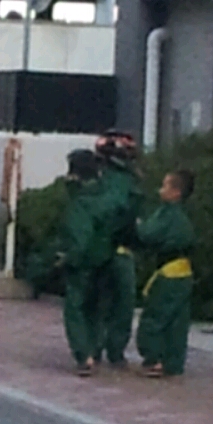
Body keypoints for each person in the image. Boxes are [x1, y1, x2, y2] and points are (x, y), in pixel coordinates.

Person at [136, 170, 196, 378]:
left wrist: (137, 225)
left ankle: (154, 360)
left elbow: (147, 234)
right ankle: (173, 363)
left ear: (176, 192)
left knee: (155, 317)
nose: (160, 190)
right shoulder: (184, 216)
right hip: (185, 273)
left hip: (168, 273)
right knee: (178, 321)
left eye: (165, 186)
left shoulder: (167, 214)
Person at [57, 149, 112, 377]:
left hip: (82, 263)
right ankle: (96, 349)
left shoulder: (80, 203)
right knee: (97, 307)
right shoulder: (106, 196)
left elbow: (80, 237)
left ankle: (83, 355)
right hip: (106, 258)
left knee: (75, 308)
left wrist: (67, 259)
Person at [94, 131, 144, 367]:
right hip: (117, 249)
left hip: (104, 249)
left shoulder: (102, 179)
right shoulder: (121, 181)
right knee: (120, 302)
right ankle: (112, 351)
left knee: (104, 301)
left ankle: (98, 349)